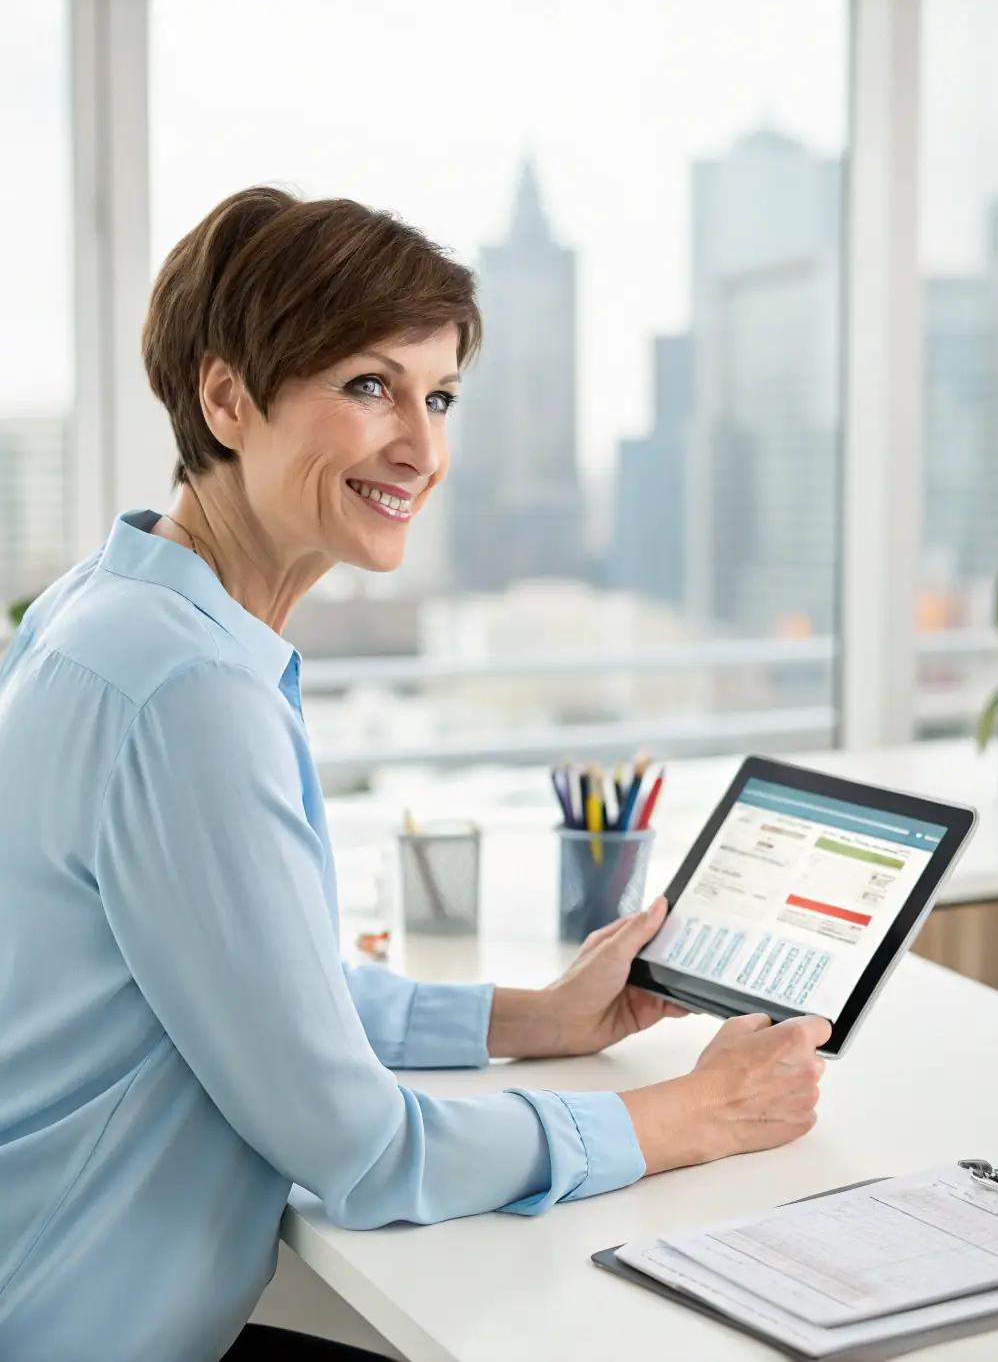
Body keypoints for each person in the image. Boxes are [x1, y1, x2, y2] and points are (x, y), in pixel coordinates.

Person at [0, 187, 829, 1362]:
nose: (422, 449)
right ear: (226, 398)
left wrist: (526, 1017)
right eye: (368, 387)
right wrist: (688, 1113)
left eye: (437, 397)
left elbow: (251, 981)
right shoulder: (187, 694)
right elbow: (362, 1152)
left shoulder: (101, 605)